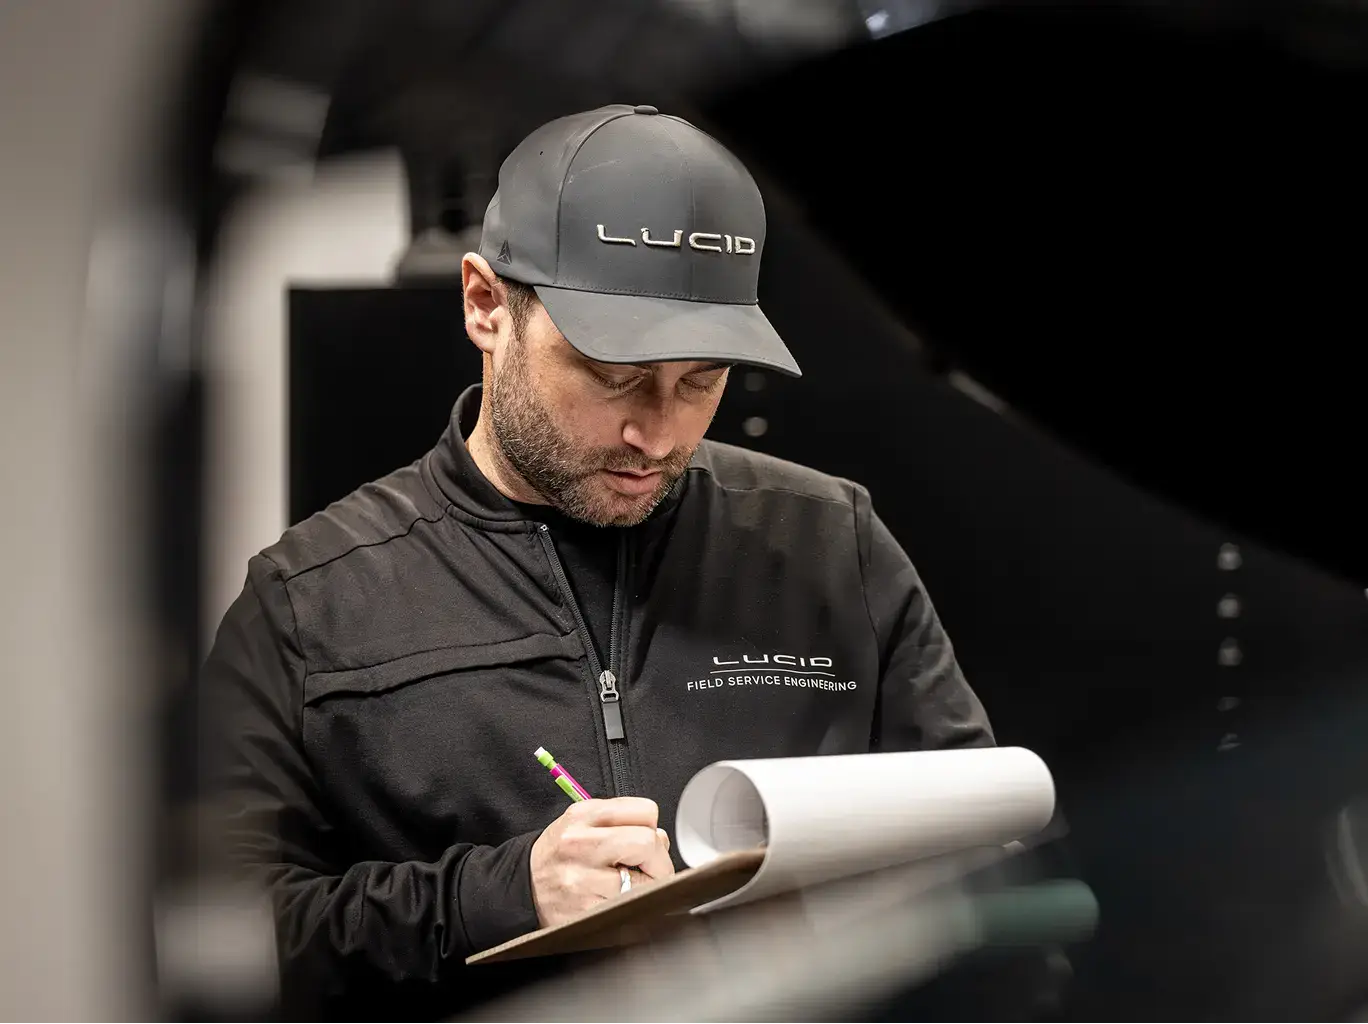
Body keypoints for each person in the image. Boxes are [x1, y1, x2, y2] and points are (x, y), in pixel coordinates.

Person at [200, 103, 993, 1023]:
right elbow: (226, 939)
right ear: (486, 305)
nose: (655, 434)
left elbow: (978, 845)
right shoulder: (311, 603)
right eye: (614, 376)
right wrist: (491, 899)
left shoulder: (830, 542)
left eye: (700, 380)